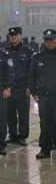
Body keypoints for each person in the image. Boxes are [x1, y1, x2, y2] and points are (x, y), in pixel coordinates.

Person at [29, 29, 56, 159]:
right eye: (46, 40)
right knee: (45, 123)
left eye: (51, 39)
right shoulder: (38, 57)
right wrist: (34, 93)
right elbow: (31, 76)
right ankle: (45, 149)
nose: (49, 42)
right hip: (43, 96)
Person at [5, 27, 33, 146]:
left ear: (21, 35)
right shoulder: (5, 52)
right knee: (10, 113)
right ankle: (12, 134)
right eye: (11, 35)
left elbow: (31, 71)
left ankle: (22, 136)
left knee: (23, 114)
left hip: (22, 87)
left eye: (15, 34)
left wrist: (29, 86)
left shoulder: (28, 51)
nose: (13, 37)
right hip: (9, 88)